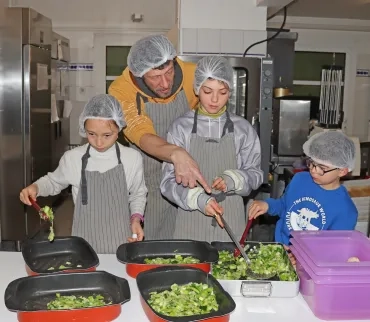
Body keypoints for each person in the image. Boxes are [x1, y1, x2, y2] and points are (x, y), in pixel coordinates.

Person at [109, 35, 211, 240]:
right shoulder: (121, 90)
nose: (165, 83)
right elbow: (141, 134)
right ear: (139, 74)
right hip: (148, 182)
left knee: (188, 242)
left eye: (169, 72)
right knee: (151, 244)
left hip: (187, 176)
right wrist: (175, 152)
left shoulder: (193, 75)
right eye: (155, 76)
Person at [19, 94, 148, 254]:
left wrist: (136, 219)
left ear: (119, 128)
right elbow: (54, 182)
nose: (99, 142)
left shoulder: (132, 158)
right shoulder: (73, 158)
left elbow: (138, 193)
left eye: (107, 135)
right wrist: (36, 187)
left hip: (122, 240)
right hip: (83, 243)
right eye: (91, 134)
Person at [160, 56, 263, 242]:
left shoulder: (243, 129)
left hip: (231, 219)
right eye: (208, 91)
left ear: (230, 92)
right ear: (197, 89)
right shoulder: (181, 127)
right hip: (191, 219)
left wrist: (234, 179)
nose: (215, 99)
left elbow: (256, 174)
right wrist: (198, 199)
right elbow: (168, 183)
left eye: (222, 92)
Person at [249, 131, 358, 248]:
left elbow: (331, 249)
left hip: (309, 261)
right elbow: (284, 205)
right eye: (312, 163)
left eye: (322, 168)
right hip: (280, 246)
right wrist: (268, 206)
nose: (313, 170)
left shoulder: (346, 210)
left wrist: (300, 256)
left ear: (342, 171)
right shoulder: (300, 180)